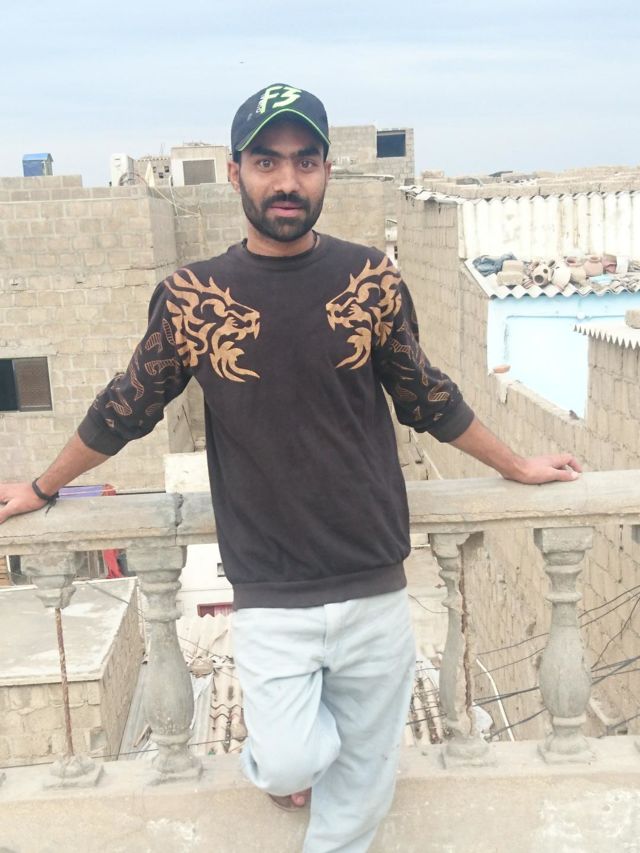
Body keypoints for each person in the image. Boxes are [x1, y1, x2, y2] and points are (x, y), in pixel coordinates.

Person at [0, 84, 580, 852]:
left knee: (362, 790)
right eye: (267, 161)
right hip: (272, 587)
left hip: (373, 576)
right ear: (236, 171)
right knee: (288, 759)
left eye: (305, 161)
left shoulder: (371, 279)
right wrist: (42, 487)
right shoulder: (191, 297)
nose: (287, 180)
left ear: (326, 172)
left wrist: (518, 463)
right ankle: (293, 763)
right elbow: (124, 408)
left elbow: (427, 396)